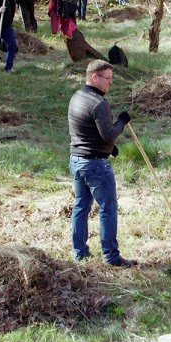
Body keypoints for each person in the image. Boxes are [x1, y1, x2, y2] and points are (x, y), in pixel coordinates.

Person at [67, 60, 137, 267]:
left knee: (81, 206)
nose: (110, 84)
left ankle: (80, 252)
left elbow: (85, 130)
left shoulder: (77, 97)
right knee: (108, 207)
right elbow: (108, 134)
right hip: (95, 165)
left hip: (77, 160)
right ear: (94, 77)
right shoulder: (99, 103)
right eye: (107, 79)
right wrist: (122, 122)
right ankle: (111, 256)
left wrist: (107, 148)